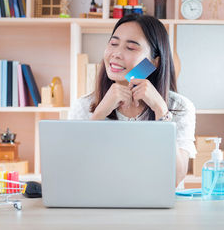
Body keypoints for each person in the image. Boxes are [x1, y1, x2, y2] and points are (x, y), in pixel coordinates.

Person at [68, 14, 197, 187]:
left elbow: (175, 179)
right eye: (113, 44)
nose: (116, 54)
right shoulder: (83, 106)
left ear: (154, 62)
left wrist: (161, 110)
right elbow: (75, 173)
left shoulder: (179, 107)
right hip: (101, 207)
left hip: (158, 209)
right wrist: (99, 115)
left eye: (131, 47)